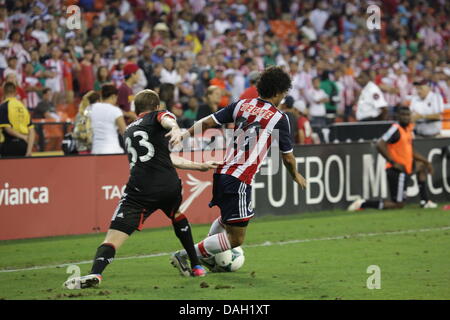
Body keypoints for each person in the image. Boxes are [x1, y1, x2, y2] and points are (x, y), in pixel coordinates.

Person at [63, 89, 219, 289]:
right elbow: (167, 120)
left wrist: (198, 164)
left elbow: (162, 155)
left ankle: (96, 273)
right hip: (169, 186)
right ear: (156, 107)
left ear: (136, 110)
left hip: (140, 191)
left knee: (113, 238)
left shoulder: (129, 130)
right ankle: (197, 266)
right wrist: (176, 130)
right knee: (176, 213)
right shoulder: (159, 115)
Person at [166, 66, 307, 273]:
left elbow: (207, 122)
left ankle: (206, 255)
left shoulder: (242, 105)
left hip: (223, 172)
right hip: (239, 178)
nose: (283, 98)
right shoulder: (279, 117)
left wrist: (184, 135)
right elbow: (287, 156)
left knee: (226, 220)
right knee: (236, 238)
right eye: (284, 94)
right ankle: (186, 254)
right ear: (278, 92)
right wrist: (295, 175)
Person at [348, 107, 437, 211]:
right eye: (403, 115)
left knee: (421, 167)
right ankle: (363, 204)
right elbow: (380, 144)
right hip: (397, 170)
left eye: (408, 115)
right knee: (398, 205)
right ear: (398, 116)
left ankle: (425, 201)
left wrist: (426, 162)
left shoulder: (408, 129)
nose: (406, 117)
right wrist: (393, 162)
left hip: (407, 167)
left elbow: (411, 150)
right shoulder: (395, 129)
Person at [0, 82, 35, 157]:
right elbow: (32, 131)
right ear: (16, 92)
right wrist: (29, 150)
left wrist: (22, 137)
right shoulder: (23, 107)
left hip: (9, 145)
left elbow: (7, 129)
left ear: (3, 91)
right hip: (24, 145)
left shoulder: (3, 106)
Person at [90, 84, 126, 155]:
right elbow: (124, 132)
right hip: (113, 150)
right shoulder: (115, 110)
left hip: (96, 150)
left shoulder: (91, 108)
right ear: (113, 96)